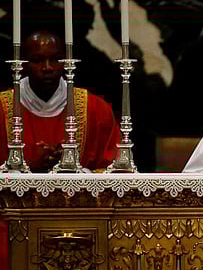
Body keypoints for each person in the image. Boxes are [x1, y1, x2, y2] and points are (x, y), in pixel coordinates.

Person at [0, 30, 120, 172]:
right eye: (37, 60)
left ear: (66, 62)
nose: (47, 68)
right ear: (23, 63)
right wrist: (30, 170)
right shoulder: (2, 107)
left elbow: (115, 171)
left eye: (56, 59)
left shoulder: (95, 109)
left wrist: (74, 171)